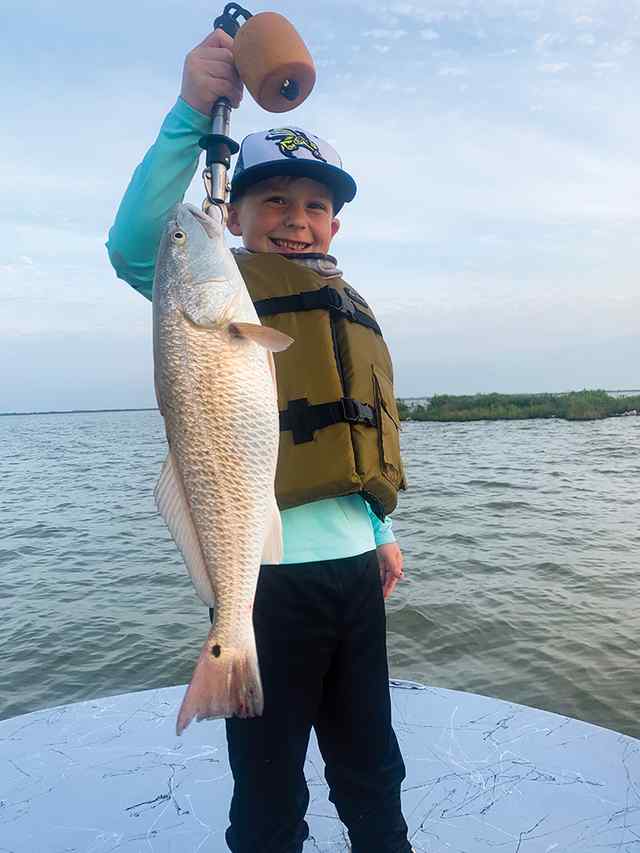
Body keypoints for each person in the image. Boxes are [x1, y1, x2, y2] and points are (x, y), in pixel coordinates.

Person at [107, 28, 411, 853]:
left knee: (372, 765)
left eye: (314, 204)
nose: (295, 220)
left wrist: (378, 530)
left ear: (336, 220)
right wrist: (185, 114)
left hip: (353, 576)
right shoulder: (213, 288)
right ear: (232, 214)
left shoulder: (345, 301)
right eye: (273, 200)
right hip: (260, 581)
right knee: (271, 786)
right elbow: (139, 242)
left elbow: (356, 437)